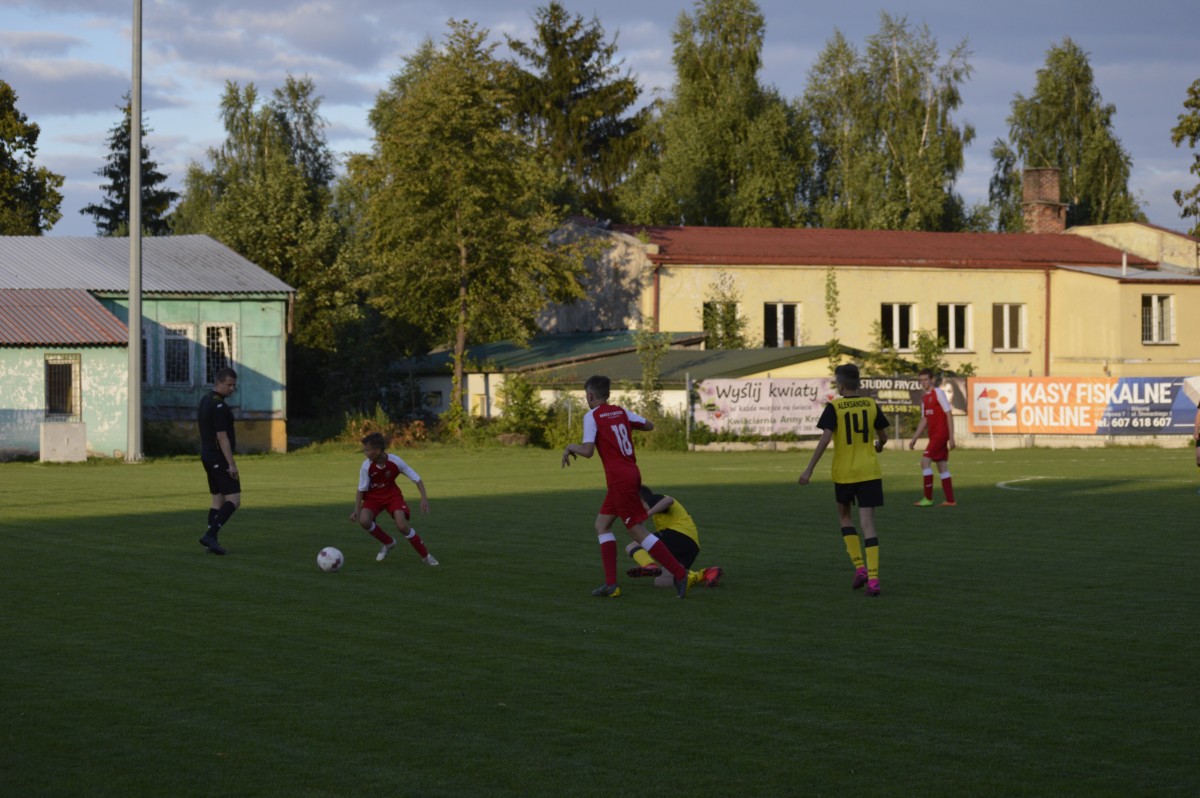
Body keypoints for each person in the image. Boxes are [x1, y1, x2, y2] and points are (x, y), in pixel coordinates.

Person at [561, 375, 691, 599]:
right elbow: (649, 425)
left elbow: (587, 451)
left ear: (590, 396)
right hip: (629, 474)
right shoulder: (620, 412)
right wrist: (623, 424)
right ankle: (611, 585)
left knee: (637, 531)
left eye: (586, 396)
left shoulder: (592, 416)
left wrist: (570, 447)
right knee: (602, 525)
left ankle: (679, 573)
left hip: (620, 479)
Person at [798, 363, 889, 597]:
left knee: (845, 516)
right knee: (868, 524)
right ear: (858, 382)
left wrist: (809, 469)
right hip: (869, 472)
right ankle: (874, 580)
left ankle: (860, 567)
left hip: (845, 473)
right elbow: (883, 436)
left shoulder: (835, 407)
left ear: (840, 385)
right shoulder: (870, 404)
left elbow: (825, 439)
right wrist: (879, 445)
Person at [350, 432, 438, 565]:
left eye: (367, 450)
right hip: (373, 498)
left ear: (377, 451)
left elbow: (417, 479)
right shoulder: (366, 466)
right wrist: (356, 510)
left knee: (402, 526)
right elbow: (361, 489)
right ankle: (388, 542)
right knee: (364, 520)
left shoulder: (395, 461)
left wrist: (424, 498)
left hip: (392, 496)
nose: (365, 453)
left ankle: (426, 556)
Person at [625, 485, 723, 589]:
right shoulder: (655, 508)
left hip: (679, 535)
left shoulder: (652, 499)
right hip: (691, 547)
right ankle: (705, 573)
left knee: (633, 546)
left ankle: (649, 565)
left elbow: (669, 500)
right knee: (662, 582)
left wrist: (647, 514)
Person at [198, 367, 240, 556]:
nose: (232, 389)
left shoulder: (205, 400)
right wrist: (231, 463)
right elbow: (222, 437)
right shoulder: (219, 406)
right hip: (218, 457)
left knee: (217, 499)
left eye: (234, 385)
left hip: (207, 455)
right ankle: (210, 535)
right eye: (229, 385)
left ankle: (211, 542)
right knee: (234, 500)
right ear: (219, 383)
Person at [908, 368, 957, 507]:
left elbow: (948, 413)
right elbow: (924, 419)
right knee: (941, 465)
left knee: (924, 462)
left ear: (932, 379)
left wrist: (951, 437)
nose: (923, 382)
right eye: (921, 380)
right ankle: (950, 500)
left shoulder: (938, 393)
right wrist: (914, 438)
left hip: (940, 434)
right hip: (934, 435)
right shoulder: (925, 398)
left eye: (925, 379)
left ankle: (928, 498)